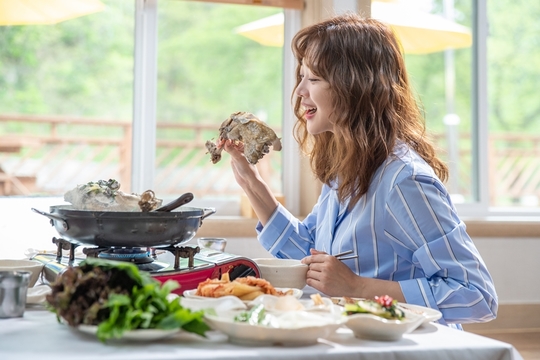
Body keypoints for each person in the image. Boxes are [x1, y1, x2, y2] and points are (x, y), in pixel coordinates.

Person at [223, 13, 497, 328]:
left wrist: (358, 288)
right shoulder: (345, 172)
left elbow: (477, 296)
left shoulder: (404, 181)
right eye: (301, 77)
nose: (300, 91)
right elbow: (313, 261)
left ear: (354, 86)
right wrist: (252, 183)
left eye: (312, 79)